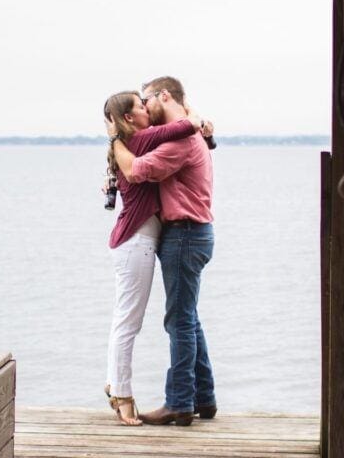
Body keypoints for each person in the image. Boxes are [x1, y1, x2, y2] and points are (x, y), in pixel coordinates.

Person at [109, 76, 217, 426]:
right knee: (189, 317)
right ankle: (204, 397)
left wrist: (113, 141)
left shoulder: (182, 139)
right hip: (192, 233)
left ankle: (179, 402)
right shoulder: (190, 132)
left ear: (164, 96)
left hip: (185, 234)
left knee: (179, 320)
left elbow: (138, 170)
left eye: (146, 100)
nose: (144, 107)